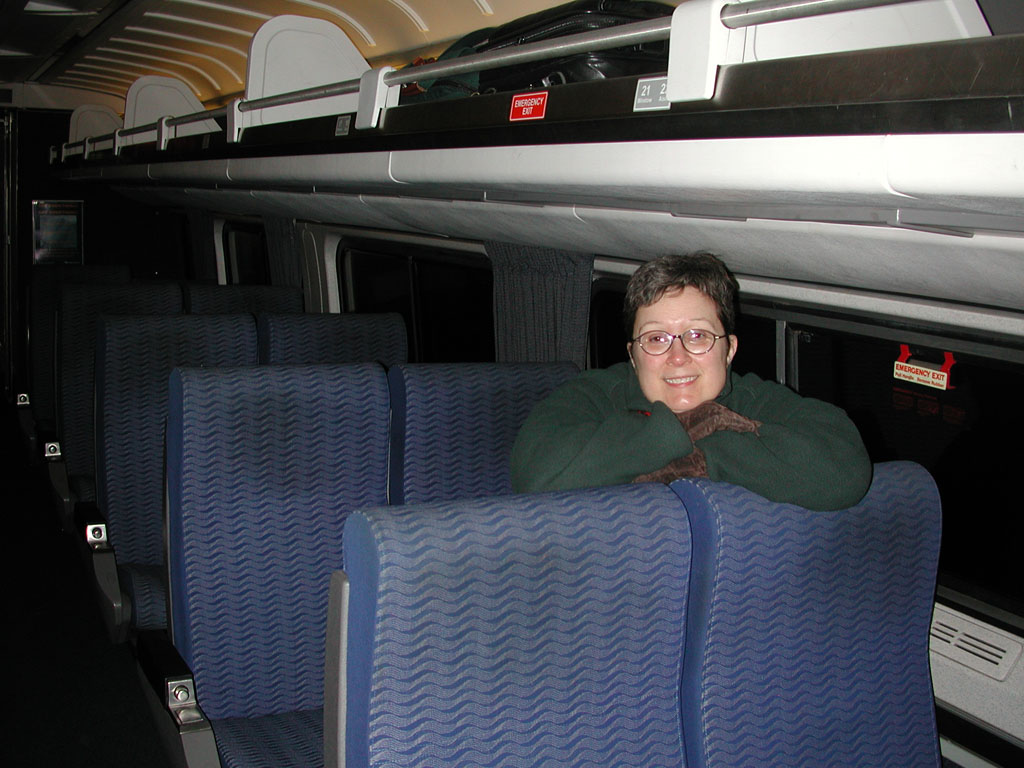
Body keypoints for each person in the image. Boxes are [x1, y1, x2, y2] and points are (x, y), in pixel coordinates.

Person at [510, 252, 871, 511]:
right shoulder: (594, 395)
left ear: (729, 350)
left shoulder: (754, 398)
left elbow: (844, 474)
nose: (678, 356)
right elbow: (536, 477)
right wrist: (686, 428)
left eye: (697, 336)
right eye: (656, 338)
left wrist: (705, 454)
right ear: (633, 355)